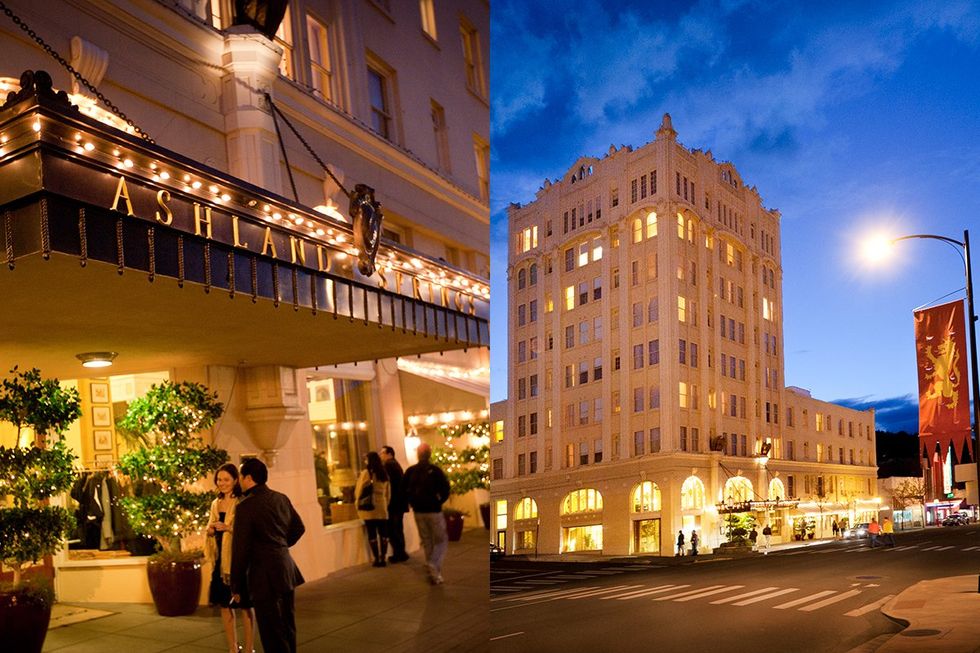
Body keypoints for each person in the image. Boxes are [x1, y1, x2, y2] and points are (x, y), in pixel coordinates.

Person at [231, 457, 305, 653]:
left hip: (263, 574)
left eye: (240, 476)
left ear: (248, 478)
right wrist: (280, 545)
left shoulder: (245, 506)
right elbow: (299, 528)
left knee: (271, 630)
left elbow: (240, 548)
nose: (239, 480)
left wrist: (235, 584)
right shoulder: (281, 498)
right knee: (287, 624)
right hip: (286, 568)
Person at [205, 463, 255, 653]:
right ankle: (233, 648)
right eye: (219, 480)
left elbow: (247, 532)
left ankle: (249, 648)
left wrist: (228, 528)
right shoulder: (215, 503)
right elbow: (210, 527)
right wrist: (210, 530)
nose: (222, 483)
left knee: (245, 607)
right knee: (225, 606)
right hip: (221, 562)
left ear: (235, 480)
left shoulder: (242, 502)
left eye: (226, 479)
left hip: (238, 560)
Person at [403, 443, 451, 584]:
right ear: (429, 454)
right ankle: (433, 564)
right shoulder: (435, 470)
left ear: (418, 454)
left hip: (418, 511)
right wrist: (439, 501)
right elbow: (445, 488)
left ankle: (434, 574)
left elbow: (403, 489)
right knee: (441, 540)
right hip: (433, 510)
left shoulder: (411, 471)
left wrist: (412, 502)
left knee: (427, 540)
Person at [355, 451, 390, 567]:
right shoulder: (384, 473)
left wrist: (357, 503)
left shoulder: (366, 473)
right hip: (382, 507)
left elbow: (359, 490)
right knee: (384, 533)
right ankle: (383, 557)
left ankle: (376, 558)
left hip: (369, 509)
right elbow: (388, 493)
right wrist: (385, 503)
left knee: (372, 534)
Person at [380, 445, 409, 563]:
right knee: (398, 528)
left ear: (389, 454)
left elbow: (389, 486)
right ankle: (401, 552)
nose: (381, 455)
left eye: (382, 453)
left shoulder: (389, 465)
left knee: (393, 528)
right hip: (399, 502)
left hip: (394, 503)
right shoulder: (395, 464)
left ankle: (399, 553)